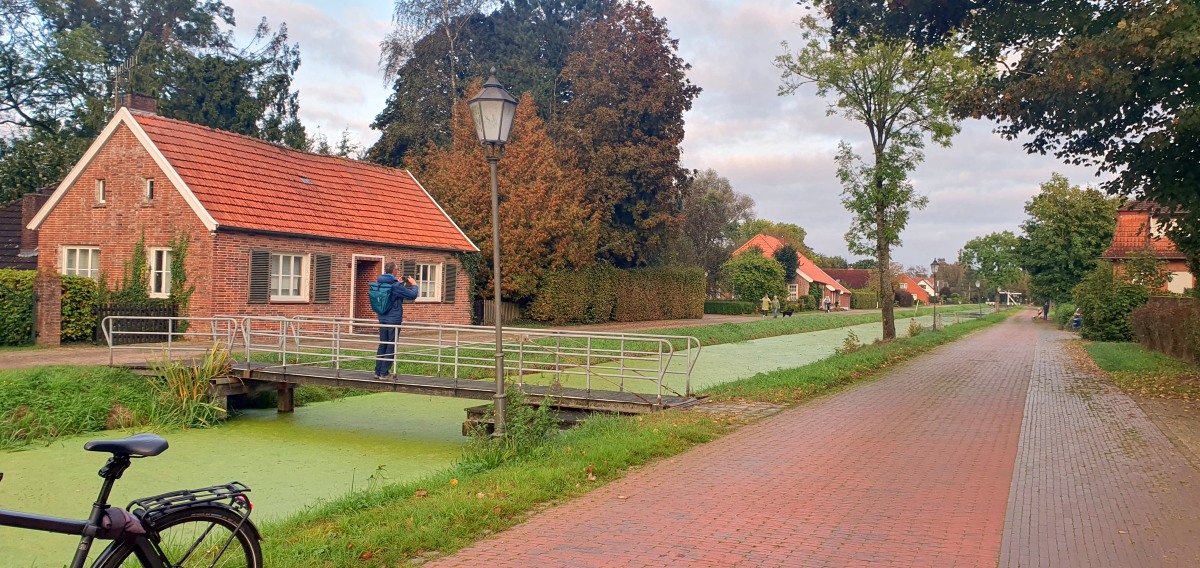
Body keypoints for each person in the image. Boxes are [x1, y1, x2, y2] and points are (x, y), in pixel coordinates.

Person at [375, 262, 419, 378]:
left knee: (383, 344)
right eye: (397, 269)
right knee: (391, 345)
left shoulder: (380, 283)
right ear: (394, 271)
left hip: (382, 318)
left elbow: (391, 296)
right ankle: (384, 373)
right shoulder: (395, 286)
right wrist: (414, 285)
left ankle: (377, 372)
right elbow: (412, 295)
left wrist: (399, 284)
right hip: (393, 320)